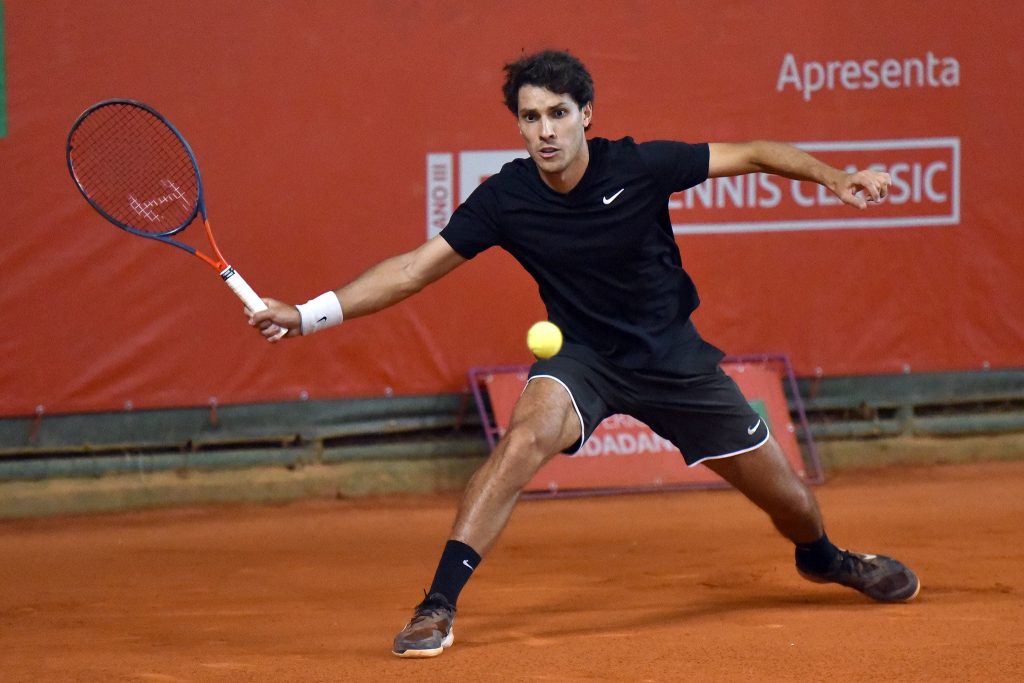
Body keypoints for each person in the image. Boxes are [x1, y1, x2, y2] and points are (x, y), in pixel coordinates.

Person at [250, 49, 920, 658]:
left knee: (792, 502)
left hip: (674, 361)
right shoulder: (506, 198)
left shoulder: (638, 166)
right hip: (583, 359)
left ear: (585, 116)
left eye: (558, 114)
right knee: (522, 438)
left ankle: (826, 558)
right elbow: (410, 270)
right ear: (517, 124)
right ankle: (438, 604)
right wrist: (307, 315)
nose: (545, 130)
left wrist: (834, 178)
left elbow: (749, 154)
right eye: (531, 116)